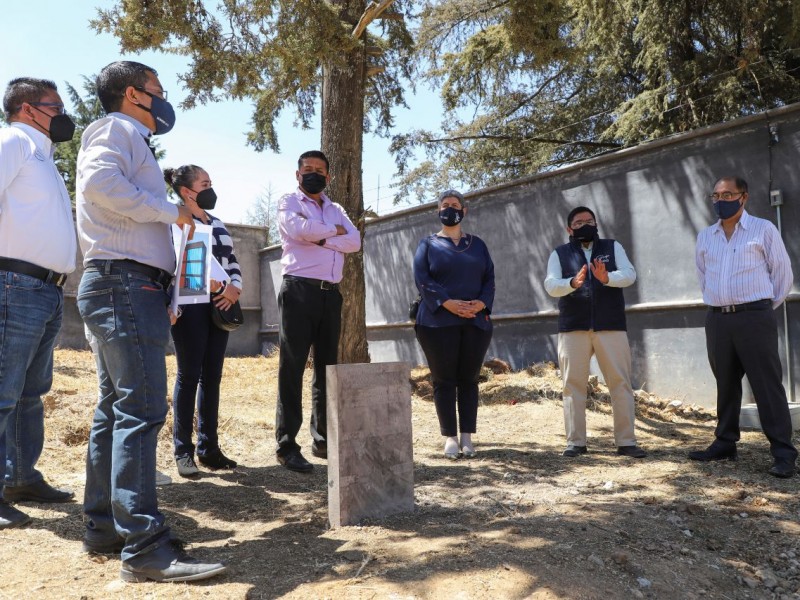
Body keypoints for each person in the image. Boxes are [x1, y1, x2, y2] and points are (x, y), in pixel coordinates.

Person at [76, 61, 226, 582]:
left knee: (115, 410)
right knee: (140, 409)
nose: (164, 100)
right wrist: (168, 211)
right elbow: (99, 184)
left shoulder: (127, 135)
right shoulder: (119, 130)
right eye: (158, 91)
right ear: (134, 94)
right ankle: (144, 547)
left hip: (121, 283)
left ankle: (105, 527)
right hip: (124, 283)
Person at [0, 78, 78, 529]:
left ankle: (20, 478)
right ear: (29, 108)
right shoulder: (13, 141)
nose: (63, 114)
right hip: (16, 283)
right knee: (4, 392)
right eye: (56, 106)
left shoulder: (44, 155)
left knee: (29, 393)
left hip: (46, 290)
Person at [690, 176, 797, 478]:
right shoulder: (706, 236)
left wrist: (761, 309)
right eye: (716, 195)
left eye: (728, 194)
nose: (721, 200)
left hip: (754, 318)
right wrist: (718, 303)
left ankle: (783, 453)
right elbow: (703, 277)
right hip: (718, 320)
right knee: (725, 384)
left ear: (744, 197)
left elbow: (783, 274)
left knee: (767, 386)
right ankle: (725, 443)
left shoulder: (763, 229)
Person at [275, 150, 361, 473]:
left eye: (320, 170)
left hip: (330, 295)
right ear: (298, 175)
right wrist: (332, 234)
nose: (313, 173)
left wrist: (323, 237)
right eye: (307, 169)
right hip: (298, 291)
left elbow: (354, 242)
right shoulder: (289, 201)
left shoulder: (335, 208)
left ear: (328, 176)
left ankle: (322, 438)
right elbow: (299, 231)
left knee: (326, 369)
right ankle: (286, 445)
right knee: (292, 367)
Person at [544, 206, 647, 459]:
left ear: (596, 224)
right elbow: (550, 285)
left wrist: (606, 277)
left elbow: (630, 275)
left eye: (589, 221)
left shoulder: (613, 247)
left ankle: (626, 442)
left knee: (620, 384)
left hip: (610, 326)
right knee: (572, 386)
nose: (585, 225)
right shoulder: (560, 254)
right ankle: (575, 443)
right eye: (578, 223)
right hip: (573, 328)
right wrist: (572, 283)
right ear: (569, 229)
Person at [164, 165, 242, 477]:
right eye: (205, 183)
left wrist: (234, 289)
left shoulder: (219, 223)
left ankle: (209, 448)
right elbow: (181, 263)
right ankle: (183, 451)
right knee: (189, 375)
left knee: (212, 377)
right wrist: (221, 286)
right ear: (186, 191)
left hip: (220, 306)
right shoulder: (177, 220)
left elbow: (231, 260)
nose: (211, 188)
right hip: (190, 305)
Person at [413, 190, 495, 459]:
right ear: (438, 211)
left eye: (455, 205)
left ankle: (467, 437)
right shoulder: (427, 244)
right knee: (444, 380)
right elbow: (422, 279)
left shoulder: (478, 244)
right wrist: (447, 302)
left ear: (464, 210)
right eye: (445, 205)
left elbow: (489, 279)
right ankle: (449, 437)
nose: (450, 209)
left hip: (475, 322)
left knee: (469, 380)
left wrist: (481, 303)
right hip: (437, 323)